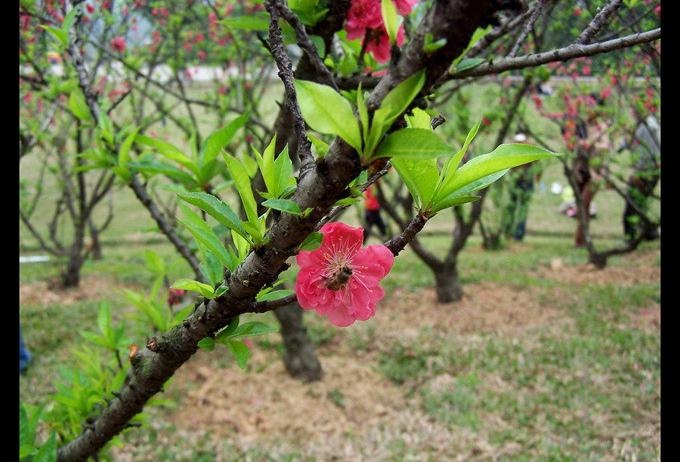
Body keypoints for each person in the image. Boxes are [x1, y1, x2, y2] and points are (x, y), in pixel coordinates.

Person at [622, 115, 660, 242]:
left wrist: (638, 173)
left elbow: (647, 154)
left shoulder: (648, 126)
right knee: (640, 203)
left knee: (631, 206)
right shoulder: (642, 124)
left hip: (646, 171)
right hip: (648, 170)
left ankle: (633, 237)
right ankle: (648, 232)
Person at [501, 134, 542, 241]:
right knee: (511, 207)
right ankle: (508, 232)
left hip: (526, 181)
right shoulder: (512, 151)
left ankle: (518, 235)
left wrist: (536, 177)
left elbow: (538, 166)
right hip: (515, 182)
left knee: (522, 209)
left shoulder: (530, 151)